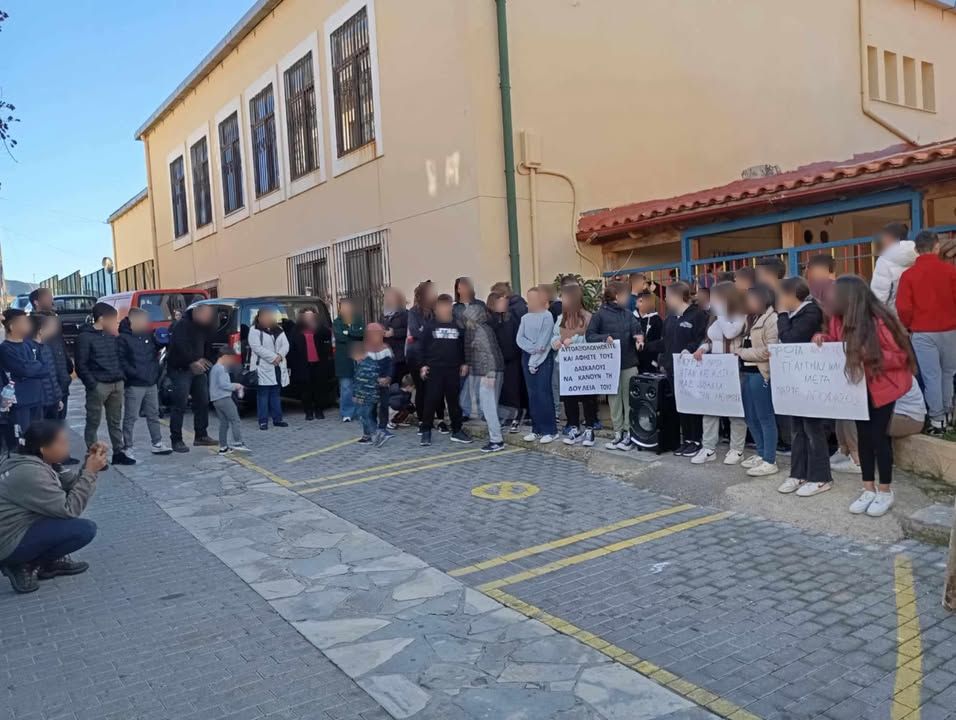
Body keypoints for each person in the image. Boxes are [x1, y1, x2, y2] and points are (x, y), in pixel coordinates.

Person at [814, 275, 915, 517]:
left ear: (849, 297)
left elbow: (901, 357)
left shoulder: (879, 321)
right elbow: (836, 344)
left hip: (883, 389)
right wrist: (822, 340)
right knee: (864, 438)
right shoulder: (838, 319)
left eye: (836, 293)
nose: (830, 297)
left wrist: (869, 354)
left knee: (879, 438)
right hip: (857, 389)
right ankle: (868, 488)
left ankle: (885, 491)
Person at [0, 422, 107, 594]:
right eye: (63, 443)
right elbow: (70, 509)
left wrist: (89, 463)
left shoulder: (39, 461)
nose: (68, 447)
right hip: (8, 541)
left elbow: (73, 485)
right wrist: (90, 472)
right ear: (44, 449)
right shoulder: (30, 473)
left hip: (21, 527)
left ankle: (47, 563)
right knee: (83, 530)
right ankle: (22, 563)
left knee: (66, 523)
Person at [896, 230, 956, 435]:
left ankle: (937, 420)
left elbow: (903, 307)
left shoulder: (908, 275)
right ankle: (948, 414)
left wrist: (909, 325)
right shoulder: (950, 271)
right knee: (948, 374)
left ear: (916, 249)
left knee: (932, 377)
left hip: (922, 332)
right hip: (951, 330)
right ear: (937, 247)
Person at [775, 277, 830, 495]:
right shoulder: (793, 315)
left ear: (791, 295)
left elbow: (790, 338)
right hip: (795, 380)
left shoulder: (810, 312)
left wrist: (781, 314)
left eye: (781, 296)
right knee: (797, 428)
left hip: (811, 380)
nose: (779, 300)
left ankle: (821, 477)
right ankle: (798, 474)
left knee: (813, 429)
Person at [644, 281, 709, 457]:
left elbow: (702, 339)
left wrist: (690, 349)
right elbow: (665, 343)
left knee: (693, 405)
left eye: (668, 296)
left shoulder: (698, 315)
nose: (665, 300)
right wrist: (646, 346)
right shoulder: (670, 318)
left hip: (692, 369)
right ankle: (686, 439)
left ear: (678, 297)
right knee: (680, 405)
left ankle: (696, 440)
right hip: (672, 369)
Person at [691, 282, 748, 465]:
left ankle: (737, 449)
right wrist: (702, 348)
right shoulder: (715, 316)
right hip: (714, 369)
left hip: (733, 367)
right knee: (710, 408)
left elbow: (730, 333)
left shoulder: (740, 314)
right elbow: (710, 339)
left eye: (716, 297)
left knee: (735, 409)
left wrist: (721, 312)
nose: (712, 300)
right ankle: (708, 448)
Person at [586, 281, 640, 450]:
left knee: (630, 399)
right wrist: (604, 338)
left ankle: (629, 432)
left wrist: (639, 337)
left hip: (629, 362)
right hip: (610, 365)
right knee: (614, 400)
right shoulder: (599, 315)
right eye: (626, 295)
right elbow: (590, 336)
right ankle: (618, 432)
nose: (628, 298)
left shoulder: (628, 314)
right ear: (617, 296)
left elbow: (637, 329)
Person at [75, 303, 131, 465]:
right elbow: (81, 365)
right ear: (101, 318)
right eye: (112, 319)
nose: (115, 322)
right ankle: (93, 456)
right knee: (93, 421)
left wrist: (122, 377)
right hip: (99, 385)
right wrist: (92, 384)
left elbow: (120, 357)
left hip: (116, 383)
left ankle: (118, 452)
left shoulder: (111, 336)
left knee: (115, 421)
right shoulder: (85, 337)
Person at [734, 284, 780, 477]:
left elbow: (769, 350)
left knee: (765, 417)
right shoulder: (749, 318)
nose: (748, 302)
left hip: (761, 373)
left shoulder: (772, 319)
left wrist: (742, 353)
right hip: (746, 373)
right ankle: (761, 453)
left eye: (751, 299)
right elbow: (736, 342)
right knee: (750, 416)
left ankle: (770, 459)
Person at [116, 308, 172, 458]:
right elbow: (121, 361)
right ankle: (128, 447)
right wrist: (134, 373)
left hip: (151, 383)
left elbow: (156, 350)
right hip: (134, 384)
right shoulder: (123, 339)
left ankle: (157, 443)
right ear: (134, 320)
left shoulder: (148, 335)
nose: (147, 323)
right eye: (144, 320)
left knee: (153, 414)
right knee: (131, 417)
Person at [419, 295, 470, 446]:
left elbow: (462, 345)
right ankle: (426, 431)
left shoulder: (457, 325)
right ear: (436, 309)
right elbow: (421, 347)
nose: (445, 309)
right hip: (435, 369)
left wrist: (464, 363)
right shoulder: (429, 326)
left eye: (448, 306)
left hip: (453, 369)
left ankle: (457, 430)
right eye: (442, 306)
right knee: (431, 400)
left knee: (454, 402)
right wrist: (423, 365)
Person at [166, 304, 218, 453]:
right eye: (206, 315)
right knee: (179, 404)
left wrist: (207, 361)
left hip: (199, 370)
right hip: (181, 369)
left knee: (202, 401)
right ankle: (176, 439)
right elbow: (179, 347)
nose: (208, 318)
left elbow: (210, 346)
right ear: (196, 312)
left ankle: (201, 435)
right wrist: (192, 361)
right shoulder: (181, 325)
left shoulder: (206, 327)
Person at [552, 284, 596, 447]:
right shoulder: (560, 318)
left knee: (587, 397)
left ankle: (589, 428)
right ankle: (574, 427)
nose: (561, 300)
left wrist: (574, 340)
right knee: (569, 398)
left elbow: (591, 338)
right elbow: (554, 336)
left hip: (583, 364)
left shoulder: (588, 317)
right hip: (565, 364)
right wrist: (556, 342)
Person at [0, 309, 48, 447]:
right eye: (24, 322)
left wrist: (32, 369)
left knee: (38, 441)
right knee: (21, 443)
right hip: (20, 404)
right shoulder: (5, 349)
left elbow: (45, 367)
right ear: (12, 326)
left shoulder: (29, 345)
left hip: (37, 399)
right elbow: (24, 369)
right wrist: (33, 368)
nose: (28, 325)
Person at [463, 304, 506, 452]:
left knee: (488, 408)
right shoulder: (484, 329)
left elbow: (488, 353)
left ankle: (496, 440)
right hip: (491, 371)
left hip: (489, 373)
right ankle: (496, 435)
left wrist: (490, 373)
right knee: (488, 406)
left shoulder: (480, 331)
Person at [517, 286, 557, 444]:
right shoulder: (525, 318)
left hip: (543, 358)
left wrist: (535, 359)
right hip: (528, 355)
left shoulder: (547, 316)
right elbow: (520, 338)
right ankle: (536, 428)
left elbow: (544, 341)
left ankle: (550, 430)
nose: (530, 302)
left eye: (533, 299)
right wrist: (532, 349)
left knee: (543, 393)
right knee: (532, 394)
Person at [29, 289, 75, 423]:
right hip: (45, 391)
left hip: (62, 384)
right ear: (36, 302)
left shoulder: (54, 319)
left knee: (59, 426)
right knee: (45, 428)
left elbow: (61, 348)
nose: (51, 300)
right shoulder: (30, 326)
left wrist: (68, 370)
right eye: (48, 297)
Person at [248, 308, 290, 431]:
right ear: (259, 318)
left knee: (275, 394)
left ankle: (277, 419)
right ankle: (263, 421)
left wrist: (280, 356)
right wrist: (273, 358)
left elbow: (285, 344)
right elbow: (257, 348)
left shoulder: (278, 330)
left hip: (277, 366)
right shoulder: (254, 330)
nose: (267, 319)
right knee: (263, 395)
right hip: (262, 367)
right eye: (265, 316)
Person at [489, 291, 526, 433]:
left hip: (513, 359)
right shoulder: (491, 319)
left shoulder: (512, 317)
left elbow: (517, 336)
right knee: (502, 391)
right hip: (498, 361)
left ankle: (517, 415)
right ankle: (506, 416)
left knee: (514, 389)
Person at [287, 307, 333, 421]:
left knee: (319, 388)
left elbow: (328, 334)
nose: (309, 318)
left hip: (318, 363)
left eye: (311, 316)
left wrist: (317, 327)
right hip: (303, 364)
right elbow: (292, 346)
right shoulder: (296, 329)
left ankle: (319, 410)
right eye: (307, 316)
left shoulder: (319, 327)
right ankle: (308, 411)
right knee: (306, 389)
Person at [407, 282, 440, 431]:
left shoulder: (435, 311)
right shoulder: (413, 312)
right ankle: (422, 420)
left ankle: (435, 419)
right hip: (416, 356)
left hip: (434, 355)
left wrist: (425, 331)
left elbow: (438, 329)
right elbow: (415, 331)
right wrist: (430, 333)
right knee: (421, 389)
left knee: (434, 388)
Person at [453, 278, 485, 421]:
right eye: (461, 287)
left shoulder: (480, 304)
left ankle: (482, 410)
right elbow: (456, 328)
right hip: (462, 347)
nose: (465, 290)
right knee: (463, 380)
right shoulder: (455, 308)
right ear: (457, 290)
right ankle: (464, 412)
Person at [209, 349, 249, 454]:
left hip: (216, 399)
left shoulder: (214, 368)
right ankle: (238, 442)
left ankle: (223, 447)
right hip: (224, 398)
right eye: (231, 358)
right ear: (225, 356)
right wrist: (236, 386)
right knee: (235, 420)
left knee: (224, 423)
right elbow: (224, 385)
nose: (231, 361)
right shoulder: (221, 369)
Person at [333, 299, 364, 423]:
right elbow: (340, 337)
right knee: (346, 387)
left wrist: (348, 332)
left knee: (359, 386)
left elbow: (362, 333)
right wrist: (353, 333)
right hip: (344, 359)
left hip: (358, 357)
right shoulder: (337, 322)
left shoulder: (358, 319)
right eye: (344, 307)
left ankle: (360, 412)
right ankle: (347, 412)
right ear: (340, 309)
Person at [870, 222, 914, 311]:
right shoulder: (916, 255)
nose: (881, 241)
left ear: (889, 238)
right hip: (914, 313)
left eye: (883, 237)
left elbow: (879, 296)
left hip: (892, 315)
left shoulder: (884, 260)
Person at [30, 314, 65, 422]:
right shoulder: (29, 349)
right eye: (49, 327)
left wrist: (58, 398)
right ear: (41, 331)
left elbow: (52, 375)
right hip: (39, 403)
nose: (53, 329)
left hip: (52, 400)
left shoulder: (46, 347)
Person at [365, 323, 394, 446]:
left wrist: (388, 377)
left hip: (384, 383)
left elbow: (391, 365)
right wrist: (376, 379)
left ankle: (382, 428)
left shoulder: (386, 348)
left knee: (384, 405)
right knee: (371, 407)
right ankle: (372, 429)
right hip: (371, 385)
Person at [381, 288, 409, 385]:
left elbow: (409, 331)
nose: (387, 299)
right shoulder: (384, 315)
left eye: (390, 296)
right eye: (386, 297)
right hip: (387, 355)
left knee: (399, 384)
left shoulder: (405, 314)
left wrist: (394, 333)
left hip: (400, 356)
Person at [634, 291, 663, 374]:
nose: (642, 303)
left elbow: (660, 340)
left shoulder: (656, 319)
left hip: (651, 359)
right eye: (640, 301)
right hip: (634, 360)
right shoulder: (631, 317)